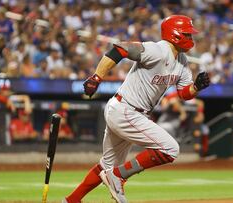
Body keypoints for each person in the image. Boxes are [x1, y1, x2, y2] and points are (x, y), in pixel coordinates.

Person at [63, 15, 210, 203]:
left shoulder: (181, 61)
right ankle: (118, 176)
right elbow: (120, 49)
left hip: (125, 111)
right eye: (187, 34)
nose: (191, 38)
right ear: (175, 35)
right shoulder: (157, 50)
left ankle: (70, 200)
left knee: (106, 166)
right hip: (126, 110)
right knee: (170, 149)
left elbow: (183, 93)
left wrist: (196, 88)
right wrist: (97, 77)